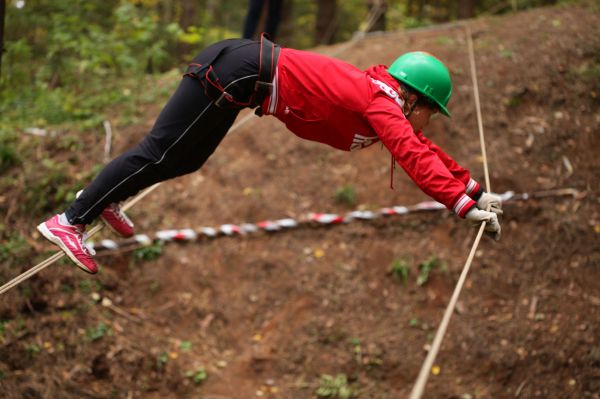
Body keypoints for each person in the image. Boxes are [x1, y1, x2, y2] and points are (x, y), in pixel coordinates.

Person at [37, 35, 503, 275]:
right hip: (239, 72)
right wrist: (458, 206)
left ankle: (102, 198)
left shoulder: (385, 100)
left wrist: (472, 191)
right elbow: (410, 154)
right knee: (161, 151)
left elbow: (422, 148)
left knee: (183, 159)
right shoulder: (382, 101)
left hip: (244, 76)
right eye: (432, 112)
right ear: (415, 100)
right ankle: (71, 219)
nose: (430, 122)